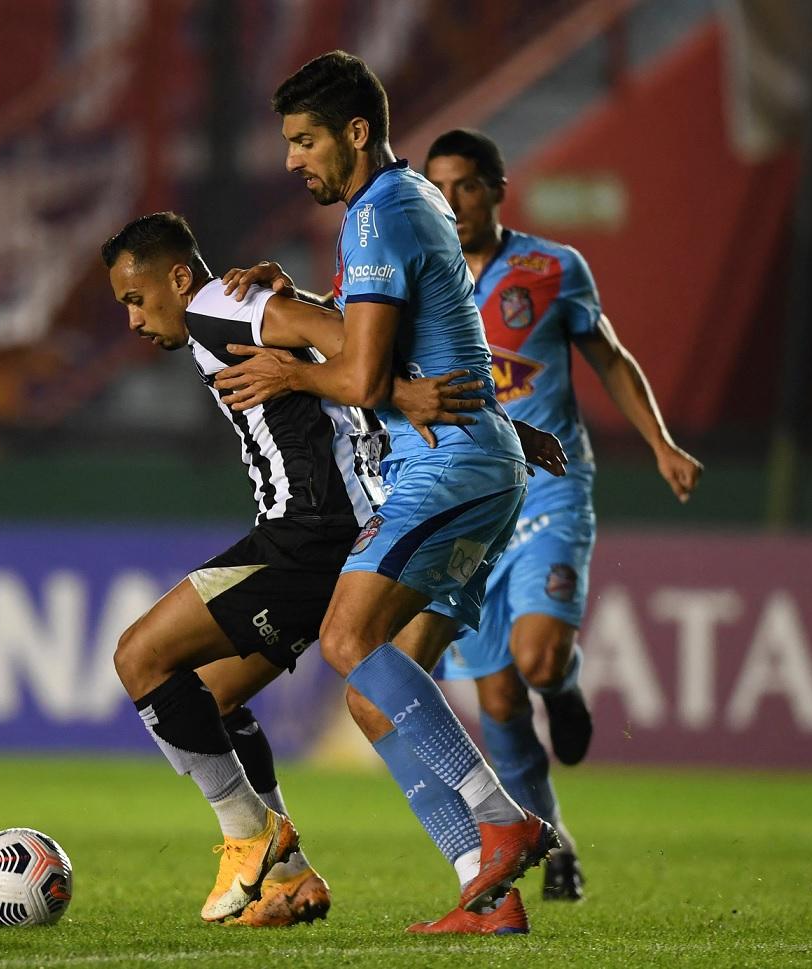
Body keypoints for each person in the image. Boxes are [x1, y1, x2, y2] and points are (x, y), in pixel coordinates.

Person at [213, 51, 560, 934]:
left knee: (344, 635)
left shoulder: (379, 215)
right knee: (373, 689)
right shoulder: (403, 204)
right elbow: (400, 340)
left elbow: (367, 372)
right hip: (473, 466)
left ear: (356, 133)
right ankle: (488, 890)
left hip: (446, 469)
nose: (293, 159)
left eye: (304, 140)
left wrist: (290, 370)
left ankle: (501, 816)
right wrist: (299, 296)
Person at [101, 211, 502, 927]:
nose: (132, 320)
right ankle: (288, 878)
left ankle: (253, 836)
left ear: (178, 276)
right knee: (215, 697)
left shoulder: (215, 305)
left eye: (136, 298)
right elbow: (332, 327)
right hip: (327, 531)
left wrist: (402, 392)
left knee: (140, 655)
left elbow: (346, 343)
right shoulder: (229, 310)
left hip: (308, 535)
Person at [423, 129, 705, 901]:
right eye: (437, 188)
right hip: (461, 510)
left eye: (466, 186)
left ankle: (568, 685)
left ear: (496, 187)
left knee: (538, 662)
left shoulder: (550, 270)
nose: (452, 202)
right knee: (499, 698)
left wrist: (662, 444)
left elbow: (609, 357)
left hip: (548, 487)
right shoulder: (416, 275)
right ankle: (552, 840)